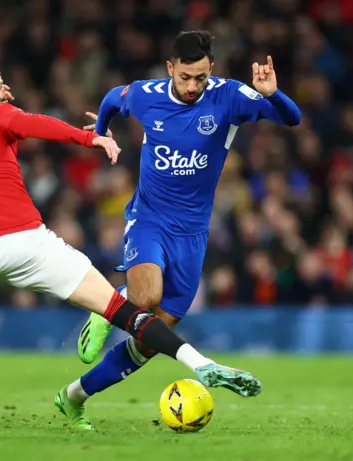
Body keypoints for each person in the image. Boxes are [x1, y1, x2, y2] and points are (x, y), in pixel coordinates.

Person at [0, 60, 263, 432]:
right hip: (28, 241)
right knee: (120, 309)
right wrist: (88, 137)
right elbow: (33, 125)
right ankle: (199, 361)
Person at [60, 31, 300, 429]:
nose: (193, 87)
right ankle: (113, 303)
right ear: (170, 69)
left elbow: (292, 119)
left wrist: (272, 94)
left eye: (201, 78)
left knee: (148, 342)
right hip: (149, 218)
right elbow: (110, 101)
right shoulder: (144, 94)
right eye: (185, 77)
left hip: (193, 234)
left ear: (212, 71)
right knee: (146, 296)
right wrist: (100, 132)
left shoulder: (230, 97)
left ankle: (74, 396)